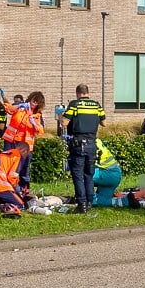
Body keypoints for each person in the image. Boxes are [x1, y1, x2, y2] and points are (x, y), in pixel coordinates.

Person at [58, 83, 106, 213]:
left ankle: (81, 204)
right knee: (89, 175)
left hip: (78, 144)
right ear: (87, 92)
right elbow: (104, 123)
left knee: (78, 174)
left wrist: (60, 114)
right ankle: (90, 203)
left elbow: (64, 123)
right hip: (92, 143)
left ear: (77, 93)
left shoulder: (75, 104)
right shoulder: (97, 105)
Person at [5, 91, 45, 196]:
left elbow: (40, 131)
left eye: (36, 102)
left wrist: (34, 124)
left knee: (23, 170)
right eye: (33, 101)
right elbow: (8, 109)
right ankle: (8, 190)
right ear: (30, 99)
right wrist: (19, 105)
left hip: (26, 147)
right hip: (12, 142)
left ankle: (24, 192)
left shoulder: (37, 115)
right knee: (9, 167)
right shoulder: (20, 109)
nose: (34, 103)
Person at [91, 138, 125, 206]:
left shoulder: (87, 143)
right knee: (103, 202)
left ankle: (90, 200)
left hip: (107, 174)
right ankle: (127, 201)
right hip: (115, 175)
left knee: (82, 175)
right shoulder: (96, 140)